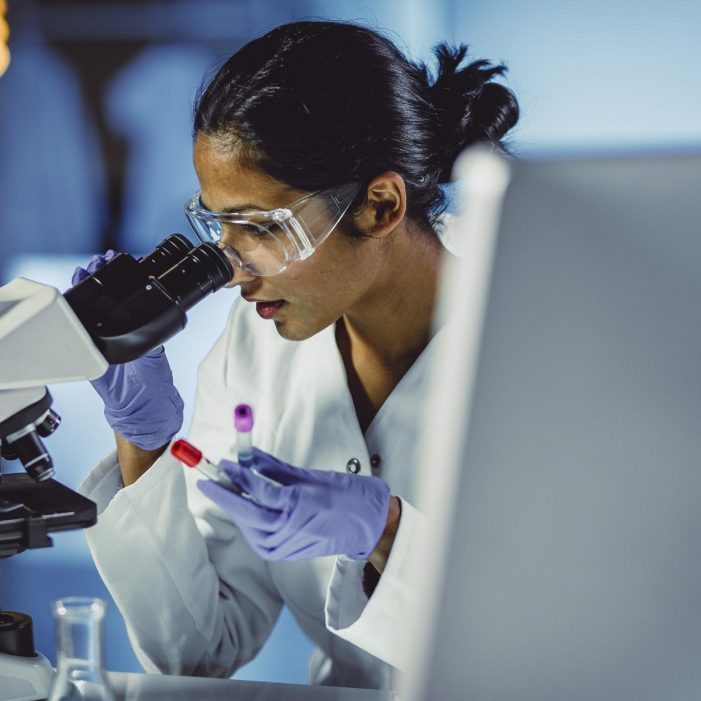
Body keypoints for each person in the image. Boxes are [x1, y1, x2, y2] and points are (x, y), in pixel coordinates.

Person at [75, 19, 519, 690]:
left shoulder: (535, 331)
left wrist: (386, 531)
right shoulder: (256, 342)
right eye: (217, 224)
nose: (231, 269)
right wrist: (145, 444)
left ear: (379, 205)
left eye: (259, 227)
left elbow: (569, 630)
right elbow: (198, 653)